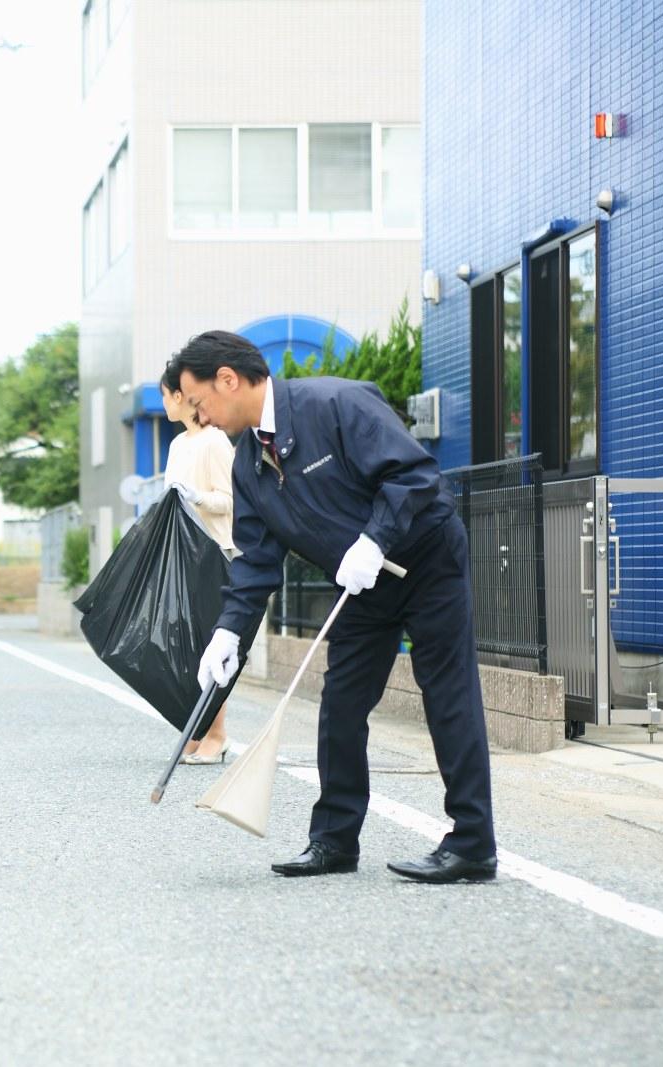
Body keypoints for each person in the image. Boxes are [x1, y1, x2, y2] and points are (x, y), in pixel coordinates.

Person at [172, 330, 497, 884]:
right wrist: (228, 633)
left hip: (425, 559)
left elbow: (414, 474)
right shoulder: (248, 463)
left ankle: (472, 844)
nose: (201, 417)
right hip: (359, 587)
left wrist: (375, 539)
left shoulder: (335, 403)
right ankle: (333, 841)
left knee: (447, 695)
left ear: (227, 379)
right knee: (341, 704)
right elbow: (255, 560)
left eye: (199, 403)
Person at [159, 371, 236, 764]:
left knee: (211, 646)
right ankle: (197, 729)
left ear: (180, 395)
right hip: (182, 553)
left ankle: (217, 734)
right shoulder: (177, 444)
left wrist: (196, 497)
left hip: (213, 553)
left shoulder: (215, 441)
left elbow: (229, 500)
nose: (163, 405)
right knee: (187, 648)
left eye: (166, 397)